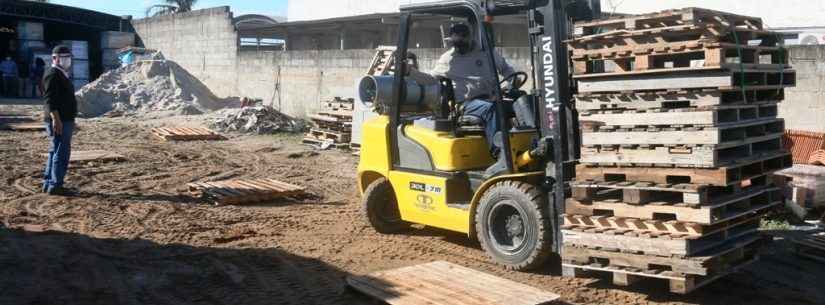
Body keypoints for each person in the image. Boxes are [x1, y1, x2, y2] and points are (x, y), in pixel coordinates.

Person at [409, 23, 516, 172]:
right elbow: (430, 79)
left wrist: (512, 81)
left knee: (521, 101)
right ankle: (500, 155)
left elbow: (506, 69)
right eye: (455, 43)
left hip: (492, 97)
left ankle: (527, 146)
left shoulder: (486, 53)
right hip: (467, 104)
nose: (458, 47)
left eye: (461, 42)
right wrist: (411, 72)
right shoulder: (448, 59)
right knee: (491, 109)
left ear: (469, 37)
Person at [42, 45, 78, 196]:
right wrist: (56, 120)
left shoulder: (60, 73)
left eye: (68, 57)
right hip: (60, 119)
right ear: (54, 58)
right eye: (63, 57)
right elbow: (50, 100)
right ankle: (56, 185)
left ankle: (49, 183)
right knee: (61, 152)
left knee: (54, 150)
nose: (67, 60)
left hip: (63, 118)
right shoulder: (53, 74)